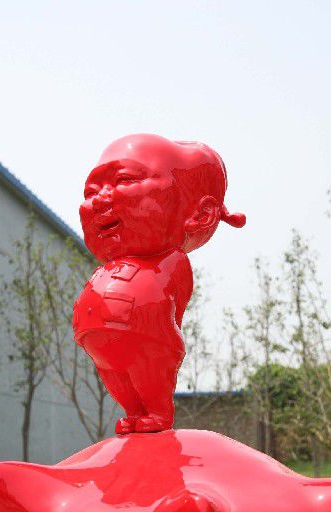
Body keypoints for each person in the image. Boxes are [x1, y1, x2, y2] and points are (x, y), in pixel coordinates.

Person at [74, 133, 245, 434]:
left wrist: (162, 333)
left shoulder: (171, 261)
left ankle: (157, 412)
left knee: (147, 371)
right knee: (116, 378)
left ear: (200, 215)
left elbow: (174, 307)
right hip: (100, 341)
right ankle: (134, 412)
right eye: (91, 191)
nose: (99, 199)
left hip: (148, 341)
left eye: (124, 180)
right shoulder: (109, 267)